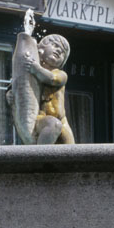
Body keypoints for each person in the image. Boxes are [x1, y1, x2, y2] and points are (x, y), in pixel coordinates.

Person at [8, 9, 75, 145]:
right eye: (55, 46)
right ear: (41, 49)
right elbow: (20, 85)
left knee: (70, 151)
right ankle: (40, 160)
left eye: (62, 52)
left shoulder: (60, 74)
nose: (58, 50)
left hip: (62, 121)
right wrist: (10, 94)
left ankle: (46, 159)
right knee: (52, 124)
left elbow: (51, 79)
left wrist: (35, 68)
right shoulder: (33, 71)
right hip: (42, 118)